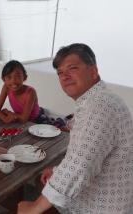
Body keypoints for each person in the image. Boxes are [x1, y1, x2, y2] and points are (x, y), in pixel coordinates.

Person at [17, 43, 133, 213]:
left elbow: (79, 166)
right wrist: (57, 171)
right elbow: (84, 155)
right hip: (98, 195)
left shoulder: (99, 105)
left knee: (23, 203)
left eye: (72, 68)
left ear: (93, 71)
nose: (64, 76)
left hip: (101, 207)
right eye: (60, 73)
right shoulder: (98, 100)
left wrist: (33, 208)